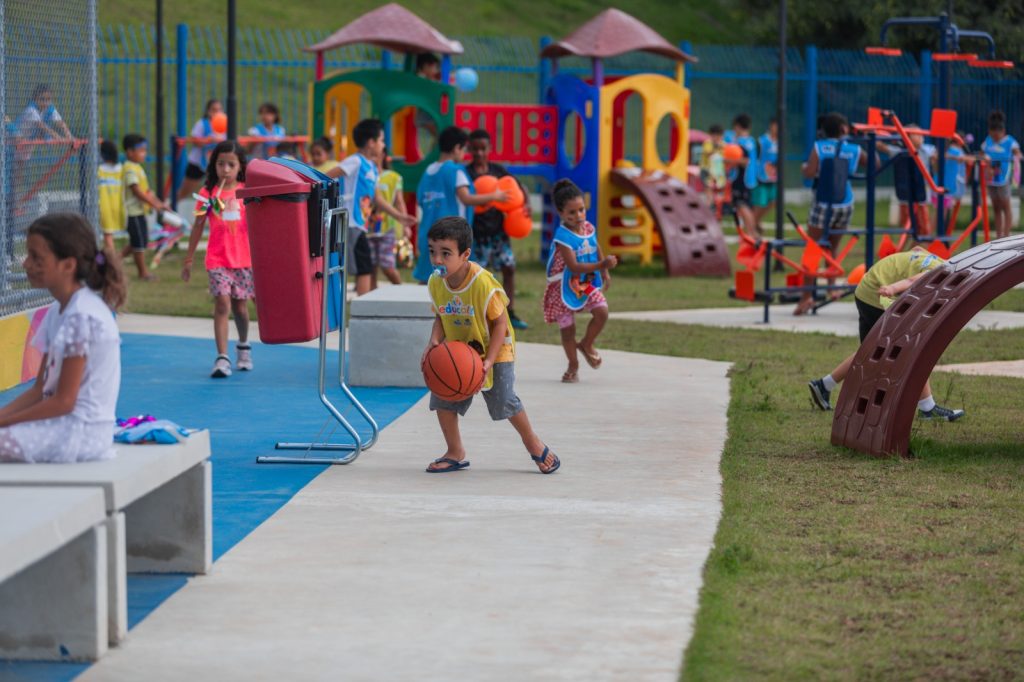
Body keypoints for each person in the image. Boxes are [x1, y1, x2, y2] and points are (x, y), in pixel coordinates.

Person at [422, 216, 559, 474]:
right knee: (443, 397)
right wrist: (434, 341)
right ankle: (455, 451)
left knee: (504, 400)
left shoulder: (483, 283)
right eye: (433, 252)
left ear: (465, 255)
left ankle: (532, 441)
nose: (437, 260)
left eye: (446, 253)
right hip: (459, 348)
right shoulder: (436, 282)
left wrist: (488, 360)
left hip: (496, 349)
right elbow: (441, 314)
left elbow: (500, 326)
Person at [0, 213, 125, 463]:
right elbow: (39, 390)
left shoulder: (81, 316)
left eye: (36, 257)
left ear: (68, 265)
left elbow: (64, 402)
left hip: (81, 434)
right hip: (64, 427)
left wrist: (4, 422)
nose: (26, 264)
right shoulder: (59, 311)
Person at [808, 247, 964, 422]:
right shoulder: (939, 273)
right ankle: (927, 408)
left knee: (871, 352)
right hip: (877, 294)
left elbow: (916, 249)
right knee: (912, 347)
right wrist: (892, 287)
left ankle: (824, 385)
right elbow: (913, 279)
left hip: (866, 288)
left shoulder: (938, 260)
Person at [181, 141, 254, 379]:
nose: (225, 169)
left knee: (240, 308)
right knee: (222, 303)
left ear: (240, 166)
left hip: (243, 259)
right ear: (214, 166)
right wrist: (189, 259)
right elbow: (198, 224)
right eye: (220, 163)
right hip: (217, 258)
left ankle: (243, 345)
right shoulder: (207, 194)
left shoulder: (247, 191)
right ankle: (222, 357)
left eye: (231, 164)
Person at [326, 119, 416, 296]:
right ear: (371, 142)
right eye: (381, 140)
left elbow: (378, 199)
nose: (383, 145)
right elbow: (328, 176)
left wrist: (399, 217)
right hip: (349, 223)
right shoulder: (356, 162)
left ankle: (359, 307)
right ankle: (360, 308)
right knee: (363, 267)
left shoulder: (372, 169)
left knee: (363, 267)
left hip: (360, 225)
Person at [543, 179, 618, 384]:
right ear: (561, 213)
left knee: (602, 311)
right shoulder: (562, 236)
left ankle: (586, 343)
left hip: (586, 282)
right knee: (568, 330)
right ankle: (573, 365)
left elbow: (594, 245)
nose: (579, 216)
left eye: (581, 210)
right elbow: (574, 267)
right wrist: (602, 265)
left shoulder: (587, 227)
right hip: (564, 286)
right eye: (572, 213)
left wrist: (604, 272)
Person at [413, 126, 507, 283]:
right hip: (453, 237)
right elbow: (466, 198)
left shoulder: (428, 171)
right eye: (464, 149)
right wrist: (494, 196)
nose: (465, 155)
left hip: (428, 235)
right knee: (459, 280)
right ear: (457, 148)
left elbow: (421, 200)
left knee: (428, 279)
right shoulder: (456, 171)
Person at [796, 112, 862, 315]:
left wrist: (804, 168)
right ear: (843, 129)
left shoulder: (820, 147)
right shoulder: (854, 148)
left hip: (823, 203)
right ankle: (831, 287)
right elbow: (875, 163)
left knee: (813, 248)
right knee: (833, 248)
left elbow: (809, 172)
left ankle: (806, 296)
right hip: (846, 203)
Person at [466, 128, 530, 330]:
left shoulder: (498, 170)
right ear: (469, 149)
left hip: (498, 233)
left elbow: (519, 188)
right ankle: (479, 315)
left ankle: (509, 313)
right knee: (478, 277)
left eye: (483, 149)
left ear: (489, 149)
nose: (479, 153)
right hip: (477, 234)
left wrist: (525, 203)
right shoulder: (466, 174)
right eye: (475, 149)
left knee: (508, 269)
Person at [121, 134, 171, 281]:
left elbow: (147, 191)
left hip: (139, 211)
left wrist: (160, 203)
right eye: (141, 150)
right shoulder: (129, 168)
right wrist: (154, 204)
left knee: (140, 240)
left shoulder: (137, 168)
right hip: (132, 212)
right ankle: (143, 273)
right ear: (130, 152)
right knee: (139, 242)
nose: (145, 154)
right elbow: (136, 191)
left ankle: (113, 261)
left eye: (145, 150)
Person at [367, 150, 409, 288]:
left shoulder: (393, 177)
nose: (372, 158)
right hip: (367, 228)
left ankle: (400, 292)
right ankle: (371, 298)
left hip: (387, 229)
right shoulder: (365, 175)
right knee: (370, 267)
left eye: (375, 154)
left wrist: (405, 225)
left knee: (387, 266)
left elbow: (399, 202)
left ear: (383, 155)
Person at [981, 110, 1021, 240]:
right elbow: (982, 153)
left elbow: (1017, 153)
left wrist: (1017, 157)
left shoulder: (1010, 141)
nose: (995, 138)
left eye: (997, 136)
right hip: (991, 178)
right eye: (992, 135)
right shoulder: (988, 141)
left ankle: (1006, 236)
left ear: (1002, 131)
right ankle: (999, 237)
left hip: (1004, 178)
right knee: (996, 207)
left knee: (1005, 205)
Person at [178, 99, 226, 201]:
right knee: (184, 192)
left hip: (217, 164)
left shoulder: (225, 124)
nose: (217, 113)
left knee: (219, 192)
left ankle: (217, 214)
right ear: (208, 111)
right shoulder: (202, 124)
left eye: (219, 110)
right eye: (214, 110)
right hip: (198, 163)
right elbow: (195, 141)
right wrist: (209, 140)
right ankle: (170, 210)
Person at [727, 114, 758, 239]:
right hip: (750, 179)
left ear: (738, 127)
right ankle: (751, 232)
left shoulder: (740, 143)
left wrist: (725, 160)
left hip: (741, 178)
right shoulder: (751, 141)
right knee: (746, 206)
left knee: (742, 206)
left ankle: (751, 233)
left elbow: (744, 161)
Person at [97, 140, 125, 254]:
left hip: (104, 206)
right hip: (119, 205)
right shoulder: (121, 168)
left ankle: (112, 263)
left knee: (108, 237)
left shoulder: (99, 170)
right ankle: (106, 259)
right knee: (109, 237)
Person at [752, 118, 779, 235]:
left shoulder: (779, 141)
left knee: (774, 201)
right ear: (771, 126)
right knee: (760, 203)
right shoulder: (762, 141)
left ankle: (756, 221)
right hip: (761, 175)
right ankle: (752, 226)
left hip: (773, 176)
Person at [699, 124, 727, 214]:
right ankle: (709, 207)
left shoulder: (724, 145)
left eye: (718, 135)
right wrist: (717, 147)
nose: (716, 137)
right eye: (714, 135)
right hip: (707, 170)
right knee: (708, 189)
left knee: (719, 190)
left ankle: (717, 208)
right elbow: (708, 153)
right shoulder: (708, 143)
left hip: (718, 172)